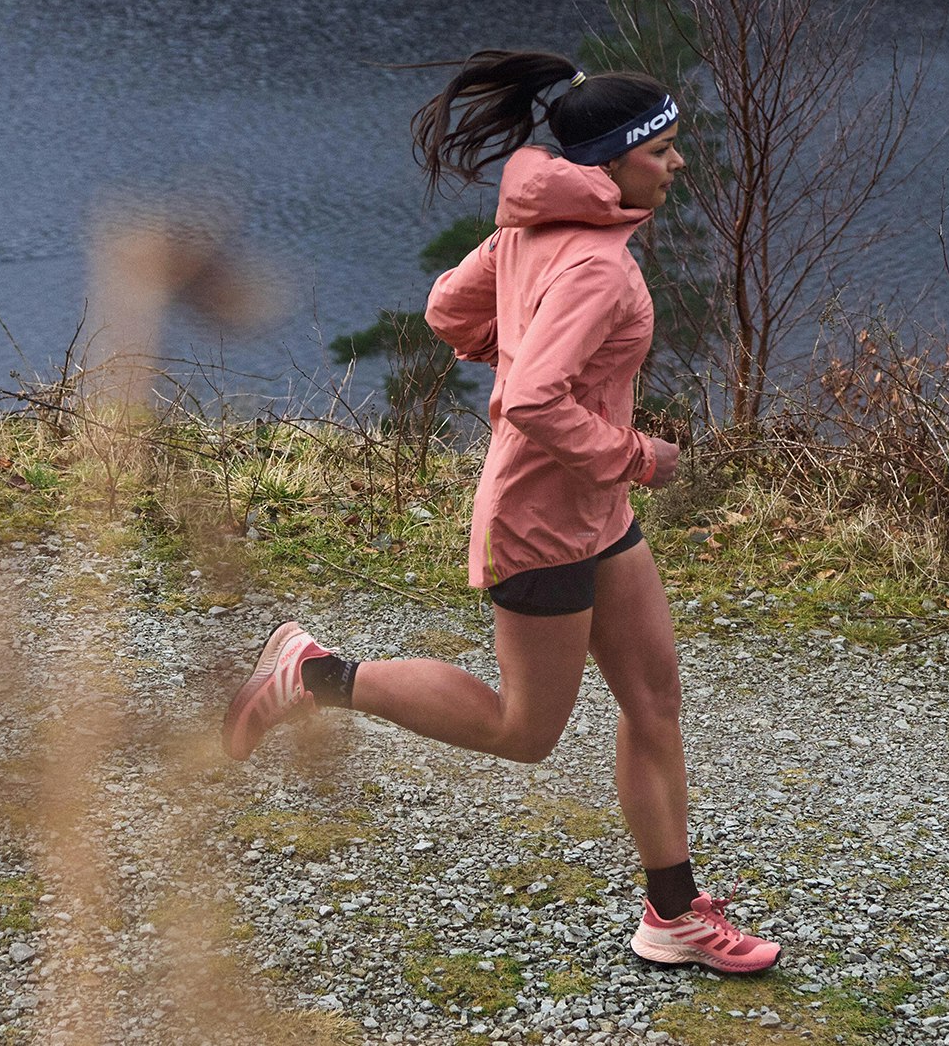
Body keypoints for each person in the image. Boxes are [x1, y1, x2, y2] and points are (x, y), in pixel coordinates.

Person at [222, 50, 780, 974]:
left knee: (654, 702)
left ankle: (673, 913)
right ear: (614, 160)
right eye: (666, 149)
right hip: (540, 519)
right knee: (525, 732)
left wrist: (513, 347)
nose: (679, 164)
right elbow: (531, 403)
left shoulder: (536, 229)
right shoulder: (600, 267)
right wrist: (640, 455)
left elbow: (448, 308)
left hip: (593, 513)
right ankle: (312, 673)